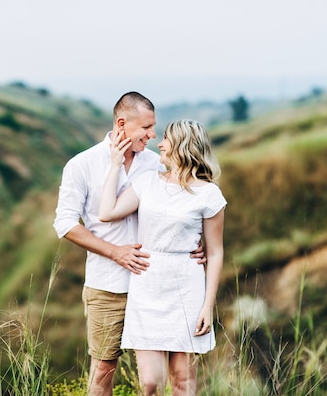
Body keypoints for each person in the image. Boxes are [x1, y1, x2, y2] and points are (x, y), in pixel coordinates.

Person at [53, 92, 206, 396]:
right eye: (146, 128)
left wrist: (195, 243)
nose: (152, 135)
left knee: (155, 380)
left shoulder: (156, 163)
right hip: (108, 285)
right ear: (122, 124)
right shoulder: (82, 164)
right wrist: (116, 253)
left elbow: (183, 204)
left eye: (154, 128)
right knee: (103, 370)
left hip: (155, 286)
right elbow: (65, 223)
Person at [98, 119, 226, 395]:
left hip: (186, 288)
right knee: (151, 382)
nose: (159, 144)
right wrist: (114, 165)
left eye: (166, 139)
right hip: (147, 284)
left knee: (183, 381)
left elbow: (215, 252)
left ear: (183, 146)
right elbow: (106, 212)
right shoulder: (146, 183)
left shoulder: (209, 194)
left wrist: (207, 306)